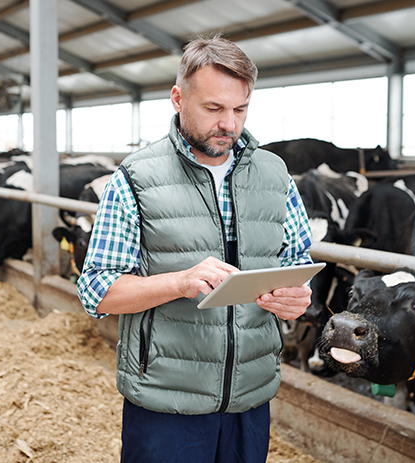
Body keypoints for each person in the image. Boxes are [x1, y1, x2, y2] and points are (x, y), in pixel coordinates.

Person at [76, 35, 314, 463]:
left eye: (240, 109)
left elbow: (296, 263)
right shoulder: (136, 178)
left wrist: (296, 298)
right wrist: (179, 281)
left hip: (250, 396)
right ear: (177, 98)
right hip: (167, 402)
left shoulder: (275, 174)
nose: (229, 124)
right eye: (213, 109)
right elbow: (97, 290)